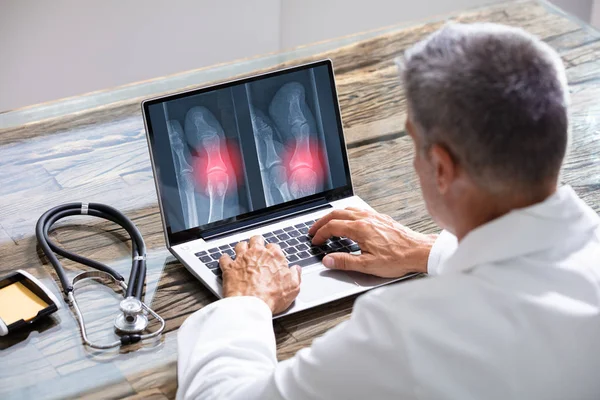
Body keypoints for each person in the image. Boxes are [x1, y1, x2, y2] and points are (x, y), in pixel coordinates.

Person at [176, 23, 600, 400]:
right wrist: (430, 251)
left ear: (440, 167)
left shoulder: (407, 336)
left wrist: (245, 302)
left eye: (412, 141)